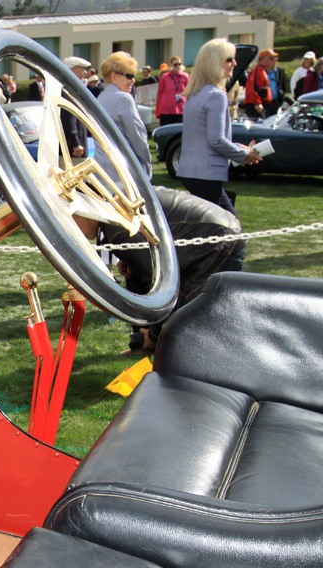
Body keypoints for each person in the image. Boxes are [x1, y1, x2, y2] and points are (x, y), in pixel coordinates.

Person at [76, 186, 245, 354]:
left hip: (218, 239)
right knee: (137, 275)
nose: (73, 225)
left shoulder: (117, 226)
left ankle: (160, 347)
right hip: (214, 229)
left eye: (72, 216)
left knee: (193, 313)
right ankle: (145, 343)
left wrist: (155, 334)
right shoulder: (115, 204)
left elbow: (163, 291)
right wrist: (131, 258)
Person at [176, 38, 261, 215]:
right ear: (215, 62)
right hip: (206, 173)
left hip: (191, 171)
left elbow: (204, 137)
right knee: (228, 229)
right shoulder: (216, 95)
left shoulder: (195, 92)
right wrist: (244, 154)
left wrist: (239, 149)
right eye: (229, 59)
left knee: (214, 227)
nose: (234, 63)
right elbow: (216, 140)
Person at [92, 52, 151, 187]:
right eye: (129, 76)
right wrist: (147, 169)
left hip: (101, 169)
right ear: (114, 76)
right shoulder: (124, 99)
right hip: (122, 174)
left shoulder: (101, 97)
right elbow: (139, 139)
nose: (133, 80)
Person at [62, 56, 90, 159]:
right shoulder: (68, 91)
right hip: (74, 149)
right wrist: (75, 144)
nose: (85, 72)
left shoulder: (70, 89)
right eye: (81, 69)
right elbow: (69, 118)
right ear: (71, 71)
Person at [243, 49, 281, 120]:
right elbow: (253, 89)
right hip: (256, 106)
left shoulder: (262, 70)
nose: (273, 61)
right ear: (265, 59)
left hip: (263, 104)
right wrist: (257, 103)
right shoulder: (258, 70)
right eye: (271, 58)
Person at [155, 56, 188, 125]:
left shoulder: (185, 76)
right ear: (171, 65)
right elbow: (159, 93)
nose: (177, 66)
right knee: (165, 132)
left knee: (178, 132)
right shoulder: (165, 77)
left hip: (180, 109)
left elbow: (188, 91)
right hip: (166, 110)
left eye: (179, 64)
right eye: (175, 64)